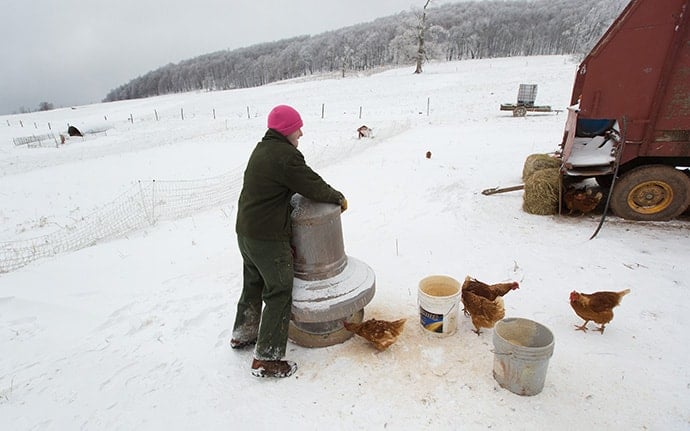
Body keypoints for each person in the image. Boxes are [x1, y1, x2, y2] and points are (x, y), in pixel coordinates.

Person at [231, 104, 347, 378]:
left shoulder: (262, 149)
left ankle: (243, 334)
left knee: (253, 284)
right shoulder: (285, 156)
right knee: (279, 291)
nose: (301, 133)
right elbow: (311, 184)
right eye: (297, 127)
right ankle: (268, 359)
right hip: (268, 238)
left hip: (246, 233)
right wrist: (337, 197)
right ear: (285, 130)